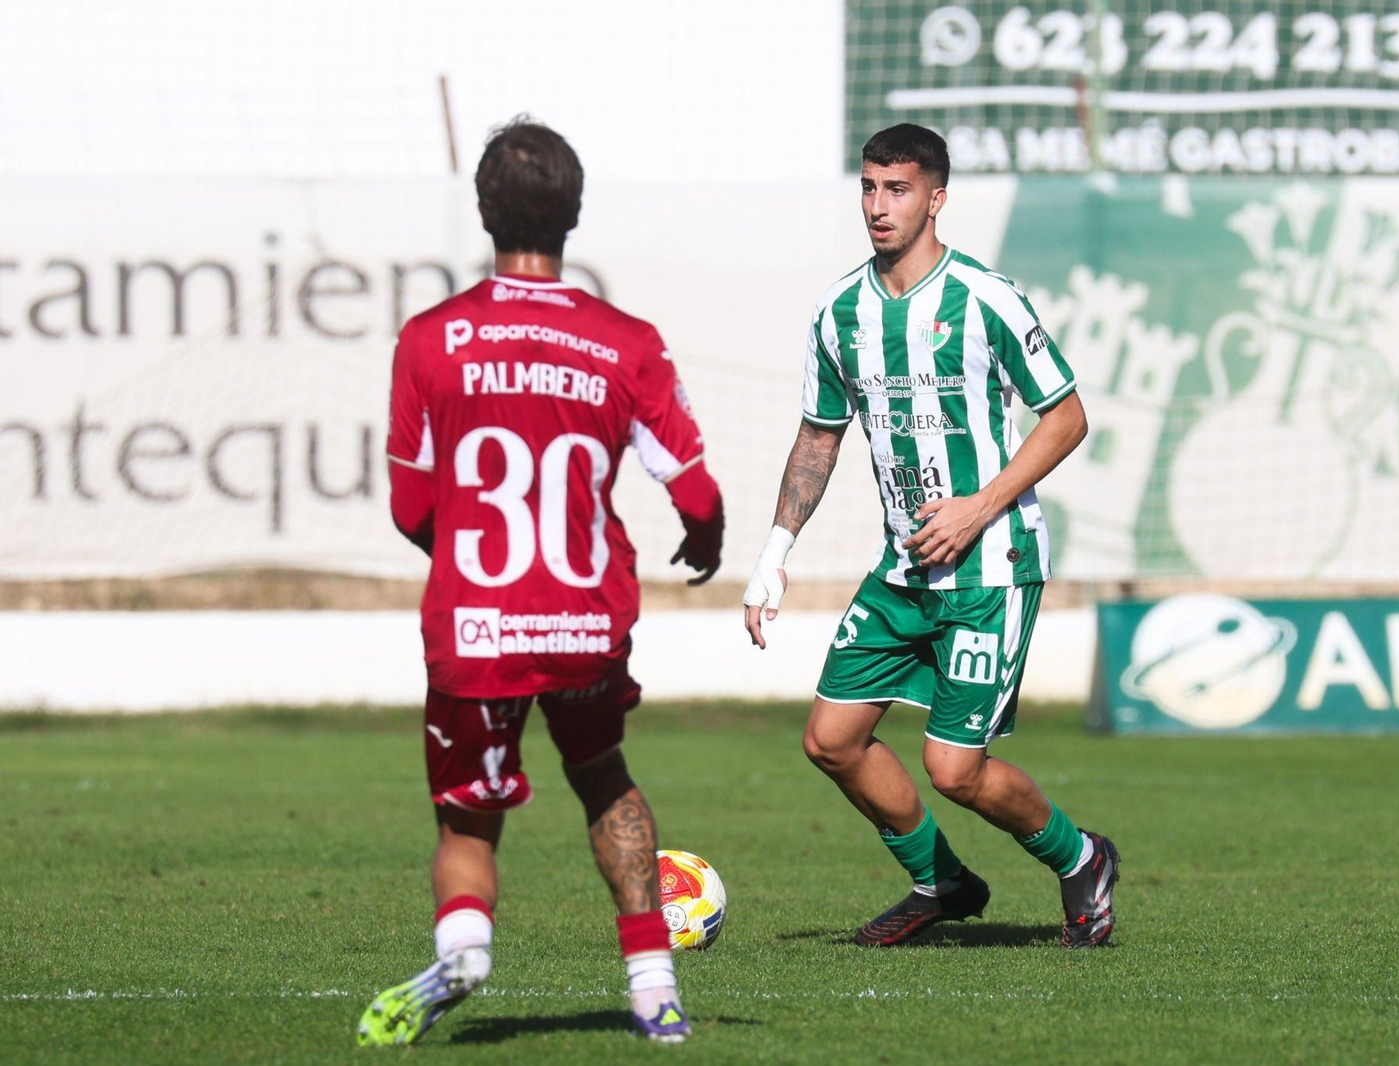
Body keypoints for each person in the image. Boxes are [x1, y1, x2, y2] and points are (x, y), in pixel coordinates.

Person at [358, 117, 723, 1046]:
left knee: (467, 821)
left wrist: (482, 563)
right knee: (603, 778)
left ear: (484, 212)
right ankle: (654, 994)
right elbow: (696, 490)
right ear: (575, 213)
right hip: (585, 618)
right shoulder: (624, 340)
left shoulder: (431, 339)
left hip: (475, 628)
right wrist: (705, 540)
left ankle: (468, 952)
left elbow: (410, 507)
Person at [742, 123, 1117, 949]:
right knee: (830, 740)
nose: (879, 206)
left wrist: (981, 503)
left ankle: (1081, 856)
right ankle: (942, 881)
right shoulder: (839, 311)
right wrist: (774, 554)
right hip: (906, 567)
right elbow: (818, 436)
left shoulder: (985, 297)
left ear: (936, 198)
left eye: (898, 189)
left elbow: (1068, 417)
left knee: (955, 771)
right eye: (870, 188)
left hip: (991, 564)